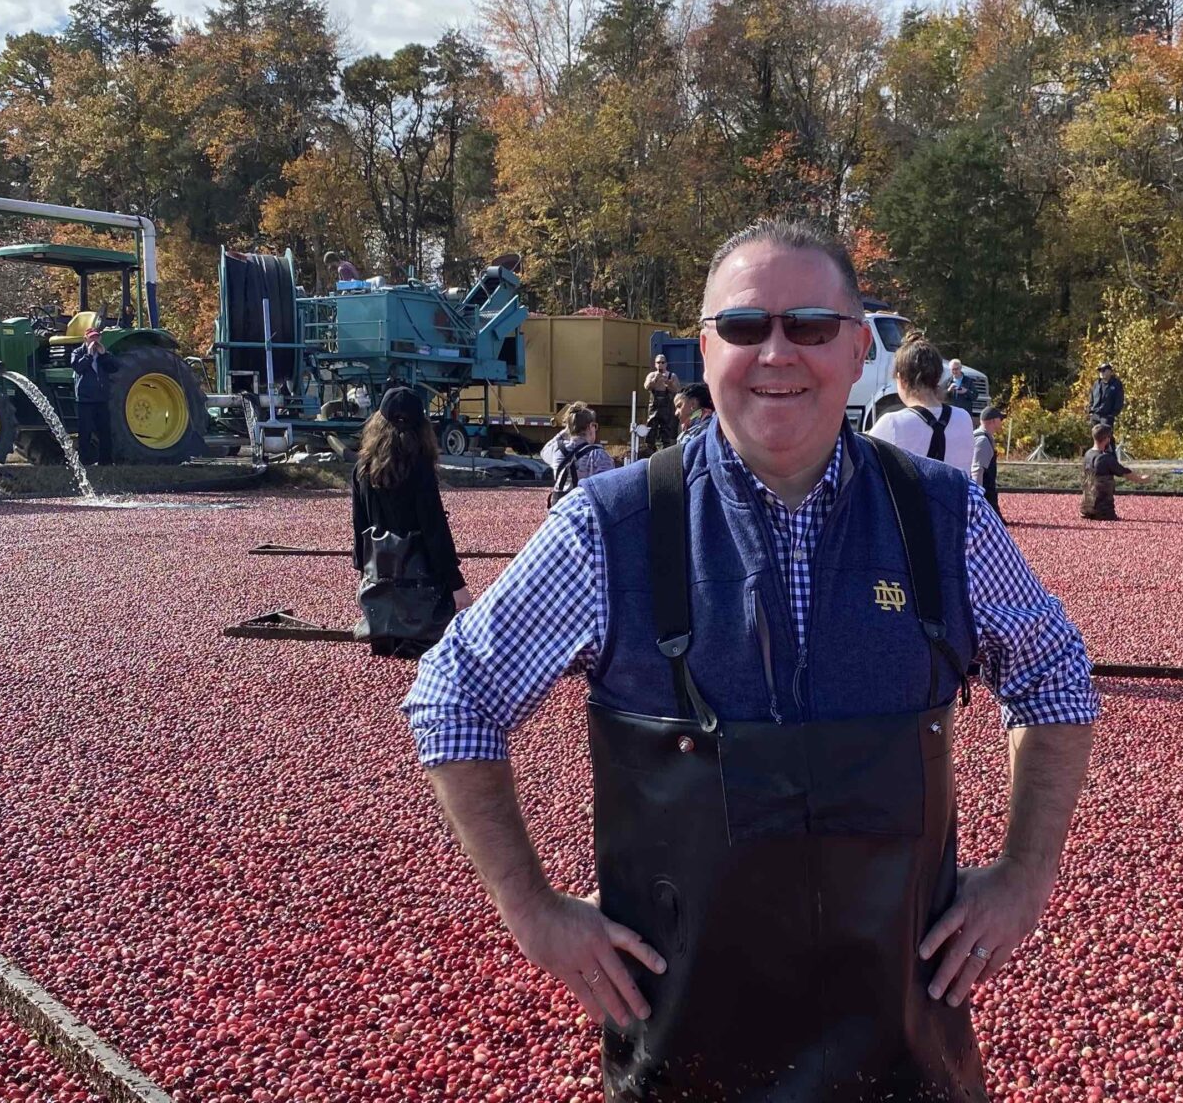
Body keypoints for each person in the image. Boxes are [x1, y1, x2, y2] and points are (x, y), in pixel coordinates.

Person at [403, 218, 1098, 1103]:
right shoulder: (612, 528)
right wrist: (532, 911)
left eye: (810, 326)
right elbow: (453, 695)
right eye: (744, 327)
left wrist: (1024, 878)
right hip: (688, 1060)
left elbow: (1057, 677)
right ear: (704, 350)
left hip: (905, 1058)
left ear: (858, 353)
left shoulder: (942, 518)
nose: (778, 352)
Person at [351, 387, 472, 658]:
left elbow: (359, 528)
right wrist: (456, 584)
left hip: (381, 588)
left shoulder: (362, 468)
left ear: (377, 423)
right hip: (421, 591)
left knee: (384, 675)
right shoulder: (420, 469)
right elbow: (434, 531)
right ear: (422, 427)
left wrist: (363, 572)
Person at [868, 335, 976, 473]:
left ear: (901, 379)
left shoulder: (892, 423)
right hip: (957, 494)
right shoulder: (963, 418)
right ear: (938, 376)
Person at [542, 401, 615, 507]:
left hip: (559, 507)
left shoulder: (557, 449)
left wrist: (566, 430)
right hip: (583, 508)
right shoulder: (597, 454)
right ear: (591, 426)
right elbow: (608, 487)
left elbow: (544, 452)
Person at [69, 320, 118, 466]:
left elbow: (114, 368)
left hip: (101, 398)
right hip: (85, 399)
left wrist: (104, 355)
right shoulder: (78, 352)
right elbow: (78, 367)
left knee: (105, 431)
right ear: (85, 339)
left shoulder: (103, 354)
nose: (94, 341)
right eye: (92, 338)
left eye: (96, 338)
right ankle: (84, 461)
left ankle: (106, 461)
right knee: (85, 432)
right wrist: (89, 355)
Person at [1080, 424, 1150, 520]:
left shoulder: (1087, 455)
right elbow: (1124, 472)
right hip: (1104, 512)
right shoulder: (1105, 458)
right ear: (1107, 439)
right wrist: (1141, 479)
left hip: (1085, 510)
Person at [971, 405, 1005, 521]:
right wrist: (977, 497)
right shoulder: (983, 440)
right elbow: (977, 470)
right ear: (993, 421)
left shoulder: (983, 436)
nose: (1001, 421)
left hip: (987, 489)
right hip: (985, 491)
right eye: (1000, 419)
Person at [643, 354, 680, 451]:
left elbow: (677, 390)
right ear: (655, 364)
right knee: (651, 429)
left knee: (666, 429)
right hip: (654, 406)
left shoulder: (672, 376)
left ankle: (665, 450)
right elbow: (647, 387)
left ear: (666, 364)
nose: (660, 365)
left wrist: (669, 384)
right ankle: (650, 450)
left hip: (666, 406)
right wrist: (655, 380)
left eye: (662, 362)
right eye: (658, 362)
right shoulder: (651, 375)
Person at [1087, 363, 1124, 433]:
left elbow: (1119, 400)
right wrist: (1091, 411)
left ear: (1110, 371)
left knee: (1107, 437)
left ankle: (1111, 444)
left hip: (1107, 416)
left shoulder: (1116, 384)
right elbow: (1091, 398)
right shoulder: (1096, 383)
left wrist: (1113, 414)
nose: (1101, 372)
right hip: (1095, 415)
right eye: (1100, 371)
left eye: (1103, 370)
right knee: (1096, 437)